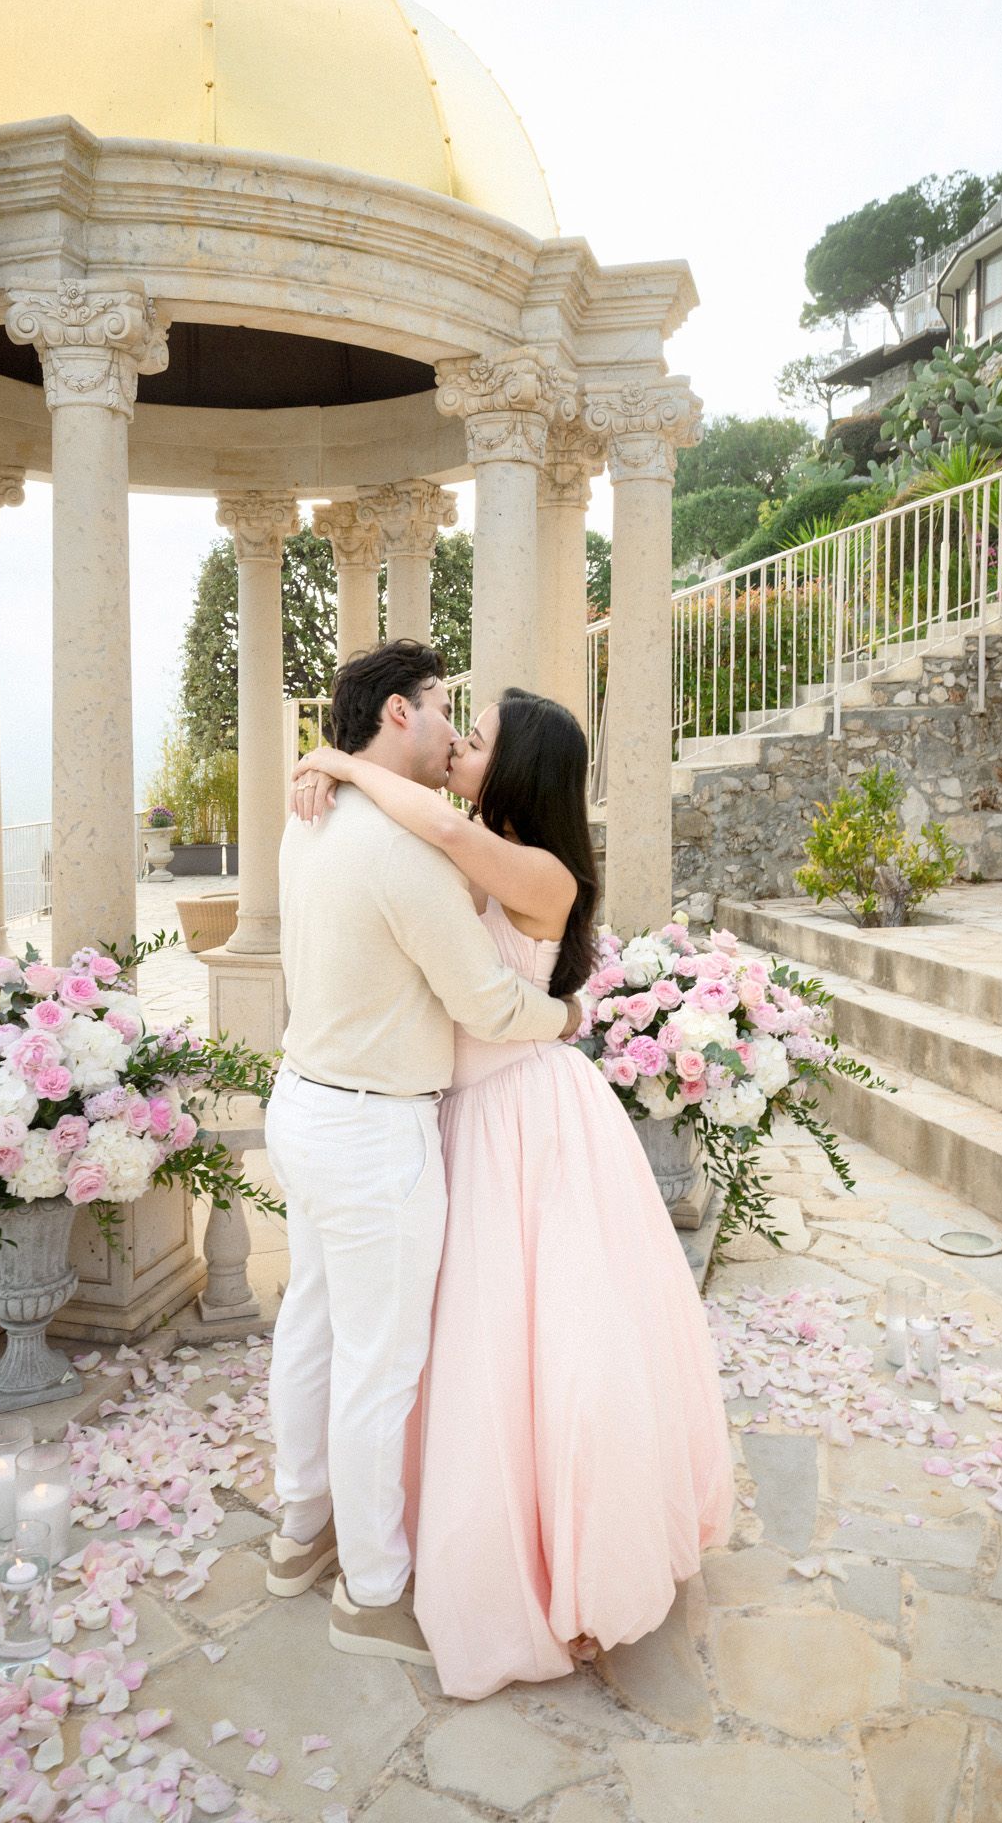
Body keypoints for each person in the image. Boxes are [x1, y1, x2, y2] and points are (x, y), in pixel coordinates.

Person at [291, 687, 735, 1701]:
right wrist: (348, 776)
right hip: (454, 1112)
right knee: (452, 1339)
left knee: (547, 1343)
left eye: (478, 736)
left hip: (525, 1118)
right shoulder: (459, 844)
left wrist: (349, 762)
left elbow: (436, 822)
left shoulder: (537, 868)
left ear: (519, 764)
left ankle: (561, 1555)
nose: (460, 743)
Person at [264, 642, 581, 1669]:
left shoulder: (307, 815)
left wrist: (337, 761)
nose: (453, 732)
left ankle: (297, 1529)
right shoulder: (406, 851)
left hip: (302, 1101)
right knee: (377, 1365)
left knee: (310, 1326)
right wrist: (571, 1013)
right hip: (370, 1127)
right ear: (399, 713)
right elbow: (484, 1003)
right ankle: (373, 1590)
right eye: (445, 711)